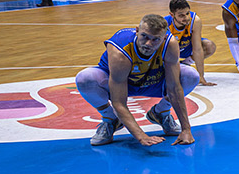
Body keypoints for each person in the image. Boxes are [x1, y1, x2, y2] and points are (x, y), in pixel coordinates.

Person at [74, 14, 197, 147]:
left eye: (155, 39)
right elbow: (118, 102)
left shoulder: (170, 44)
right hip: (122, 83)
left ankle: (160, 112)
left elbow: (174, 88)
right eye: (144, 36)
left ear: (164, 38)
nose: (148, 43)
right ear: (137, 30)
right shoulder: (121, 50)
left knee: (191, 76)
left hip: (152, 81)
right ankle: (110, 118)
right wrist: (141, 136)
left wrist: (186, 129)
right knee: (85, 79)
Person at [165, 0, 216, 87]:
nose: (186, 18)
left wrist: (201, 76)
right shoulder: (165, 24)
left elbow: (197, 48)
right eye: (181, 15)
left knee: (209, 46)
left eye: (187, 13)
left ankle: (185, 63)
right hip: (171, 51)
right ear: (172, 15)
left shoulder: (195, 20)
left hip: (187, 47)